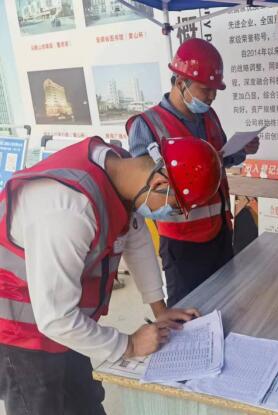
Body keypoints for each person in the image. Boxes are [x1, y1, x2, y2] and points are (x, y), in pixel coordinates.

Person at [0, 135, 222, 414]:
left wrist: (160, 309)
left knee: (85, 401)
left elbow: (135, 237)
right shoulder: (68, 210)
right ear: (158, 183)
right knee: (42, 406)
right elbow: (55, 318)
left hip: (68, 318)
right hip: (20, 333)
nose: (170, 215)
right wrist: (129, 344)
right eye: (175, 207)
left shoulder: (121, 171)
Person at [127, 38, 260, 307]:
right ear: (180, 83)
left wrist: (241, 150)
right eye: (205, 89)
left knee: (225, 303)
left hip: (220, 232)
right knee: (188, 312)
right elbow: (142, 188)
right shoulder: (147, 125)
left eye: (215, 90)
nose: (211, 97)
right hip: (182, 242)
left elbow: (220, 158)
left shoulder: (209, 117)